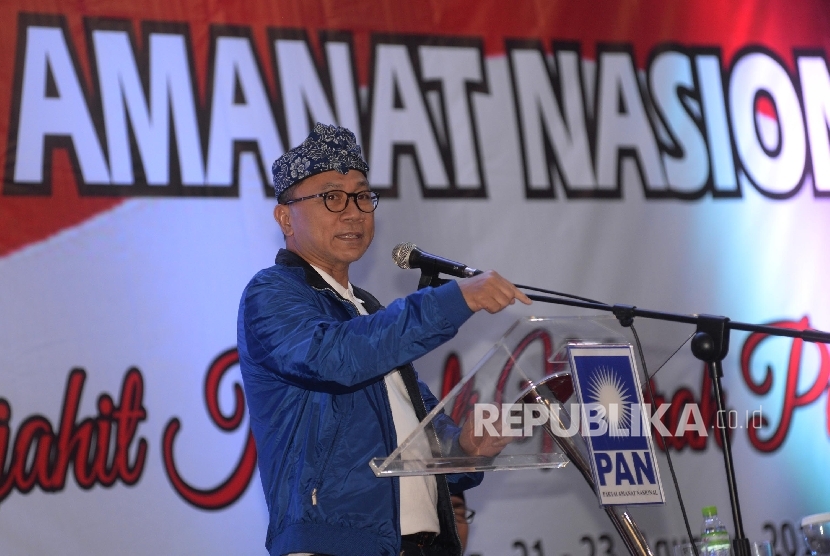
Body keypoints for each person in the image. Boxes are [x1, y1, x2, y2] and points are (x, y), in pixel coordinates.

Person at [237, 122, 531, 556]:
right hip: (335, 543)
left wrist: (464, 446)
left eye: (362, 195)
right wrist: (450, 301)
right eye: (332, 197)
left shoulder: (367, 308)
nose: (353, 211)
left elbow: (415, 438)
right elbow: (335, 358)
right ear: (285, 217)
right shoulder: (272, 293)